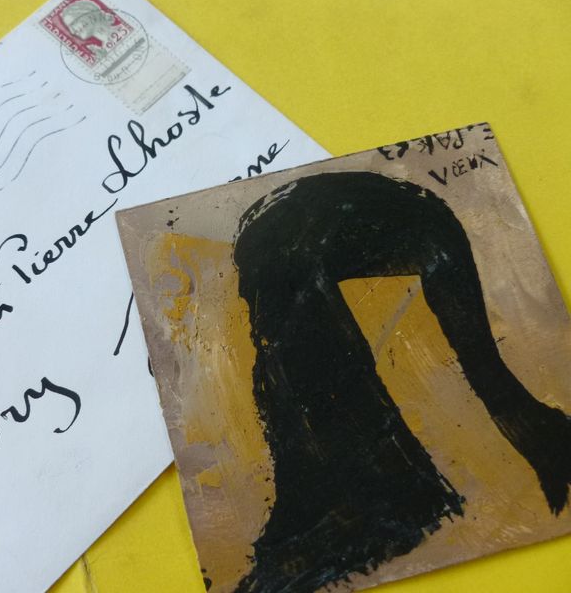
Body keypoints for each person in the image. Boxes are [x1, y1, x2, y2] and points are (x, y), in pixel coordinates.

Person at [232, 171, 571, 592]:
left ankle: (383, 497)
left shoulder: (282, 255)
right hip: (312, 227)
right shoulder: (281, 258)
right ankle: (383, 496)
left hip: (309, 228)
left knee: (282, 292)